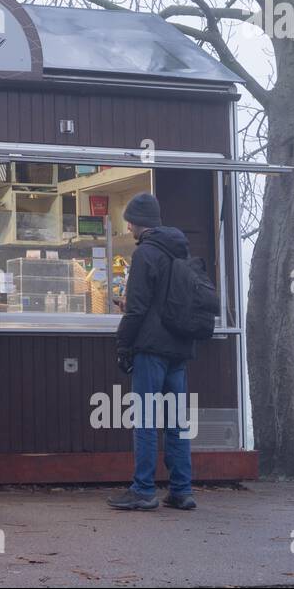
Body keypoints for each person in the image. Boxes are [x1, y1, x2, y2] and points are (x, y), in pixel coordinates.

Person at [106, 191, 197, 511]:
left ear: (136, 222)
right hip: (179, 348)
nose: (127, 227)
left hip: (152, 349)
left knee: (144, 419)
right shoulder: (180, 251)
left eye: (128, 221)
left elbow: (139, 308)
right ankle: (182, 490)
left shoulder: (145, 255)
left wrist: (123, 343)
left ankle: (144, 489)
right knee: (176, 420)